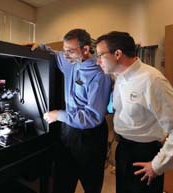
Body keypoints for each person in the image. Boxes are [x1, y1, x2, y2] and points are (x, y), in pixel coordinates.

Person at [95, 31, 173, 193]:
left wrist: (157, 165)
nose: (98, 61)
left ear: (118, 54)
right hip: (123, 150)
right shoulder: (119, 77)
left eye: (100, 55)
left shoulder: (152, 80)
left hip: (143, 154)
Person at [31, 29, 112, 193]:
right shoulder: (68, 60)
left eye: (70, 51)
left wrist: (58, 115)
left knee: (91, 183)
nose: (65, 55)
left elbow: (93, 117)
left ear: (86, 49)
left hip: (90, 137)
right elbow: (55, 54)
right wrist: (38, 46)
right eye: (64, 49)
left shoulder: (99, 75)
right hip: (68, 131)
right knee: (62, 181)